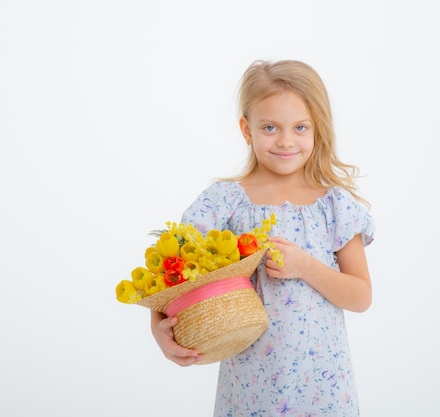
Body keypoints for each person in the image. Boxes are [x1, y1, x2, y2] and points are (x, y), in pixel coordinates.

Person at [150, 59, 375, 416]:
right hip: (250, 381)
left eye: (300, 127)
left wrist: (306, 267)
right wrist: (159, 330)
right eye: (270, 127)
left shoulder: (334, 206)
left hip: (323, 385)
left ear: (319, 128)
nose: (286, 141)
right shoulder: (224, 203)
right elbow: (171, 279)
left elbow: (361, 296)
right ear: (246, 129)